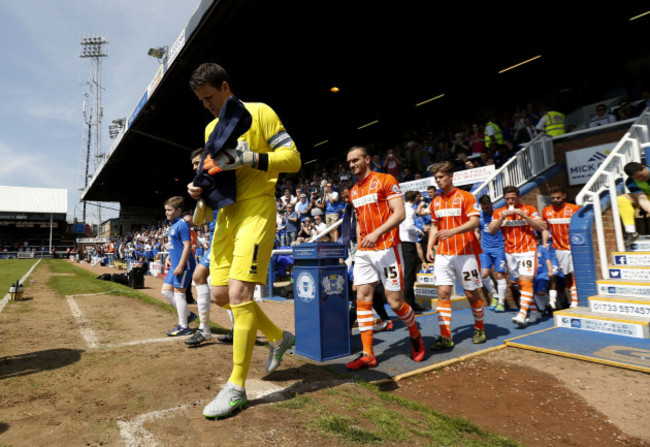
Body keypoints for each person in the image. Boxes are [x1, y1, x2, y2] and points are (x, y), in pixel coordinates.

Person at [187, 62, 300, 419]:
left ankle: (236, 386)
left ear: (224, 86)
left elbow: (293, 159)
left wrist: (247, 158)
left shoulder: (260, 112)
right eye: (201, 101)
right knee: (220, 295)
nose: (207, 106)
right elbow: (214, 172)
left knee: (240, 295)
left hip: (256, 209)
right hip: (226, 215)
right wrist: (199, 186)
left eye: (209, 98)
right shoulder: (210, 127)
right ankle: (279, 339)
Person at [345, 146, 425, 370]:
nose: (352, 165)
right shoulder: (353, 191)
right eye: (349, 162)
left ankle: (415, 335)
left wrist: (377, 233)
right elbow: (360, 222)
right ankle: (368, 353)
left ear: (367, 159)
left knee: (395, 303)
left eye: (356, 160)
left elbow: (399, 214)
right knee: (362, 297)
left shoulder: (386, 180)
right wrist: (359, 249)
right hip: (365, 251)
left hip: (388, 247)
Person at [426, 162, 486, 350]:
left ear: (451, 177)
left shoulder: (466, 197)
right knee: (443, 293)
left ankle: (479, 328)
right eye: (436, 178)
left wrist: (453, 231)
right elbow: (435, 226)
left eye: (441, 177)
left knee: (471, 293)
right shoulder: (435, 201)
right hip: (443, 253)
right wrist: (430, 246)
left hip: (466, 252)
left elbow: (475, 221)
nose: (438, 181)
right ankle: (446, 336)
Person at [185, 148, 234, 346]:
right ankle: (216, 329)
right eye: (194, 165)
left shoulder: (219, 178)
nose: (196, 168)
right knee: (214, 284)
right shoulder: (206, 184)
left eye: (198, 163)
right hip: (217, 238)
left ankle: (206, 330)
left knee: (221, 286)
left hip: (226, 237)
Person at [489, 186, 547, 328]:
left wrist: (524, 216)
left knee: (526, 282)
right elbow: (491, 230)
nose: (510, 201)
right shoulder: (498, 212)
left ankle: (522, 314)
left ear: (518, 197)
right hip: (510, 252)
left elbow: (541, 227)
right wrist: (501, 218)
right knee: (520, 283)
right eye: (507, 198)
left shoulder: (529, 209)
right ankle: (534, 311)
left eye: (513, 198)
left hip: (527, 250)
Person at [160, 196, 197, 337]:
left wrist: (181, 265)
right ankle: (187, 315)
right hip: (174, 264)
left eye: (169, 210)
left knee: (179, 294)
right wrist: (169, 256)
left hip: (184, 265)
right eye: (166, 210)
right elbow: (176, 246)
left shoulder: (181, 224)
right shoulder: (173, 225)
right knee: (166, 291)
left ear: (178, 210)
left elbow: (187, 246)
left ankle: (183, 326)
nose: (167, 213)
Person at [541, 186, 581, 309]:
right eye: (553, 198)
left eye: (558, 197)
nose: (555, 200)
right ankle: (573, 298)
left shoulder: (574, 209)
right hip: (559, 248)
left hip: (575, 247)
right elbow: (545, 228)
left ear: (564, 196)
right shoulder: (546, 211)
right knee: (567, 274)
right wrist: (544, 242)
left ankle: (575, 300)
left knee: (576, 273)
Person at [477, 195, 508, 312]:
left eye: (487, 207)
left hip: (499, 248)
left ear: (491, 204)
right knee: (484, 274)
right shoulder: (480, 216)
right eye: (483, 208)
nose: (485, 210)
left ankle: (501, 302)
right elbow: (477, 230)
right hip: (485, 249)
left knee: (499, 275)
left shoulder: (499, 214)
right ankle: (494, 296)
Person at [399, 190, 427, 313]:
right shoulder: (409, 210)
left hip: (404, 244)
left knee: (409, 275)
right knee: (409, 276)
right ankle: (408, 305)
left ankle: (410, 303)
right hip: (407, 244)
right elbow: (409, 226)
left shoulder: (405, 208)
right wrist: (420, 232)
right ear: (415, 197)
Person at [617, 161, 650, 245]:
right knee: (621, 199)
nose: (641, 179)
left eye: (641, 175)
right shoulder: (631, 182)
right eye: (637, 178)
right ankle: (631, 232)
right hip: (647, 197)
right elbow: (642, 199)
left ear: (644, 167)